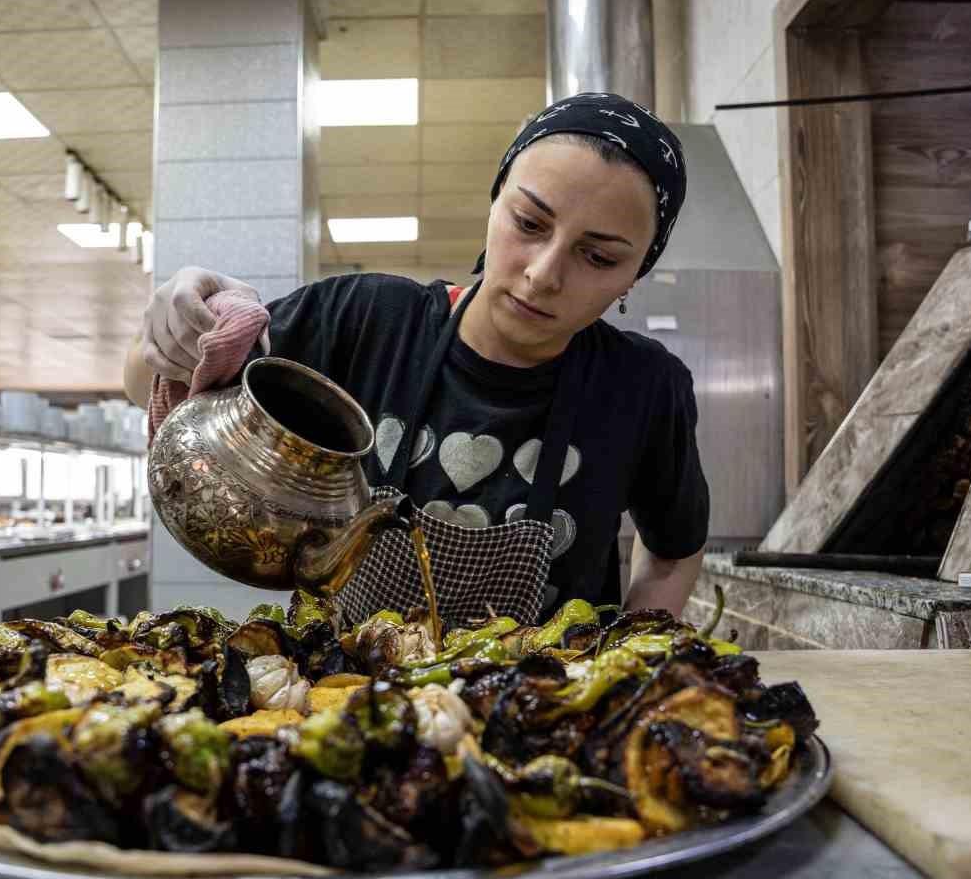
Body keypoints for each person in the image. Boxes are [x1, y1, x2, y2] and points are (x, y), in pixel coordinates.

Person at [126, 92, 708, 627]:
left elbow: (672, 553)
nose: (543, 274)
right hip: (347, 703)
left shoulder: (642, 387)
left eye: (599, 257)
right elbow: (145, 383)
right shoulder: (363, 319)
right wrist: (172, 331)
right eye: (529, 224)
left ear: (636, 274)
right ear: (494, 200)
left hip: (541, 713)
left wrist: (630, 661)